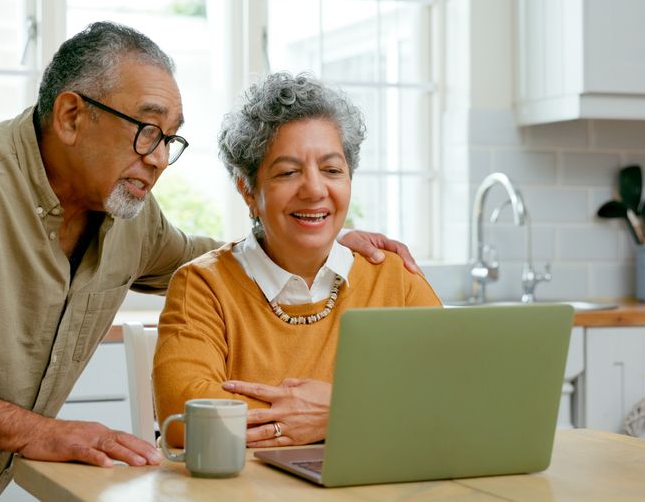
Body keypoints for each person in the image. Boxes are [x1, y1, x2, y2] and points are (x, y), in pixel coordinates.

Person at [0, 22, 418, 501]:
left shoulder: (125, 212)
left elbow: (209, 260)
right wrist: (38, 432)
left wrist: (320, 242)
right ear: (70, 115)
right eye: (147, 130)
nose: (160, 157)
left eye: (171, 137)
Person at [153, 72, 443, 448]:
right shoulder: (204, 286)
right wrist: (356, 412)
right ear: (247, 189)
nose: (315, 189)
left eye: (332, 170)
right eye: (288, 172)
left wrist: (338, 410)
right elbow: (186, 418)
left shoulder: (395, 278)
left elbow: (454, 397)